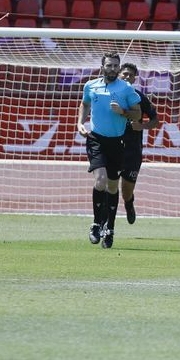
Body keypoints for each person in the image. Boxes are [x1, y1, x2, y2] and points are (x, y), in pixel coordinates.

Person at [76, 51, 142, 249]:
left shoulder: (126, 89)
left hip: (117, 142)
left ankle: (110, 227)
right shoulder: (91, 85)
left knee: (113, 187)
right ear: (102, 66)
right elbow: (85, 103)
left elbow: (137, 114)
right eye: (109, 65)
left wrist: (122, 112)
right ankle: (96, 224)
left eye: (115, 65)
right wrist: (80, 123)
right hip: (96, 139)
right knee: (100, 181)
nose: (113, 69)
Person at [117, 62, 156, 226]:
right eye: (124, 74)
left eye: (130, 75)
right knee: (105, 184)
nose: (127, 77)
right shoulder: (109, 94)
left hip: (132, 150)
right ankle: (103, 221)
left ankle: (129, 203)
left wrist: (142, 126)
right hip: (112, 146)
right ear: (119, 75)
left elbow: (155, 120)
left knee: (126, 191)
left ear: (135, 78)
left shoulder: (139, 97)